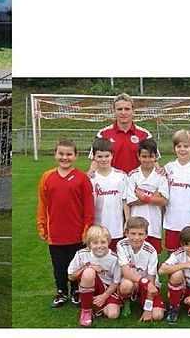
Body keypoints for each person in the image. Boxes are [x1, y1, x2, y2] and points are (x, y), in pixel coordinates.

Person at [37, 139, 94, 308]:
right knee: (59, 266)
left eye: (69, 154)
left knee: (77, 264)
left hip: (77, 233)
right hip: (55, 232)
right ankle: (61, 291)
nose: (65, 157)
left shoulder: (82, 178)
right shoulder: (47, 177)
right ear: (55, 154)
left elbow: (89, 207)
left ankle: (77, 291)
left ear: (75, 156)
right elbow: (42, 203)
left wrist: (87, 229)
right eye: (61, 154)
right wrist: (42, 224)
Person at [67, 225, 122, 326]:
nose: (99, 246)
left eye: (103, 242)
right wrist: (88, 267)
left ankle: (92, 302)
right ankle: (86, 310)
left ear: (109, 242)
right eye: (95, 243)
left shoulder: (114, 258)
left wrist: (105, 296)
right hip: (89, 283)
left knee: (113, 314)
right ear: (89, 244)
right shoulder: (81, 254)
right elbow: (71, 276)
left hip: (107, 289)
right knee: (89, 272)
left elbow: (116, 281)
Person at [115, 216, 165, 322]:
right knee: (126, 285)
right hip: (132, 282)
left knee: (157, 316)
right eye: (133, 233)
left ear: (146, 235)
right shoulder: (121, 245)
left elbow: (151, 281)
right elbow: (126, 273)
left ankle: (144, 302)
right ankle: (126, 301)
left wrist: (148, 308)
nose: (136, 238)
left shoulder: (151, 251)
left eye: (140, 234)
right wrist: (145, 282)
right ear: (126, 233)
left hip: (148, 286)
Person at [163, 130, 190, 251]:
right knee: (172, 252)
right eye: (179, 146)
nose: (182, 149)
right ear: (174, 148)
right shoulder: (168, 167)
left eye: (186, 146)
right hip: (172, 219)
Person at [125, 138, 168, 253]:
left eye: (150, 156)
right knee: (135, 255)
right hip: (136, 224)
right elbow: (131, 200)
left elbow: (164, 201)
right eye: (144, 156)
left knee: (154, 255)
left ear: (155, 157)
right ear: (138, 157)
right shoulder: (133, 175)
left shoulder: (161, 176)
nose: (147, 160)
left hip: (154, 223)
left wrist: (142, 196)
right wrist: (154, 197)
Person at [94, 94, 154, 174]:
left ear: (133, 111)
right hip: (112, 183)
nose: (123, 112)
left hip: (137, 183)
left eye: (127, 109)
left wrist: (159, 171)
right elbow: (95, 161)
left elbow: (153, 160)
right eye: (119, 109)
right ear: (114, 111)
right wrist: (91, 172)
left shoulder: (145, 135)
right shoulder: (102, 134)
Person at [88, 138, 129, 250]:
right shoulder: (90, 179)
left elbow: (125, 201)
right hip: (97, 229)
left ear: (112, 155)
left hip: (117, 228)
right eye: (100, 156)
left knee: (117, 260)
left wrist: (128, 221)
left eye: (106, 156)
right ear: (94, 157)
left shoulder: (121, 177)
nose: (104, 159)